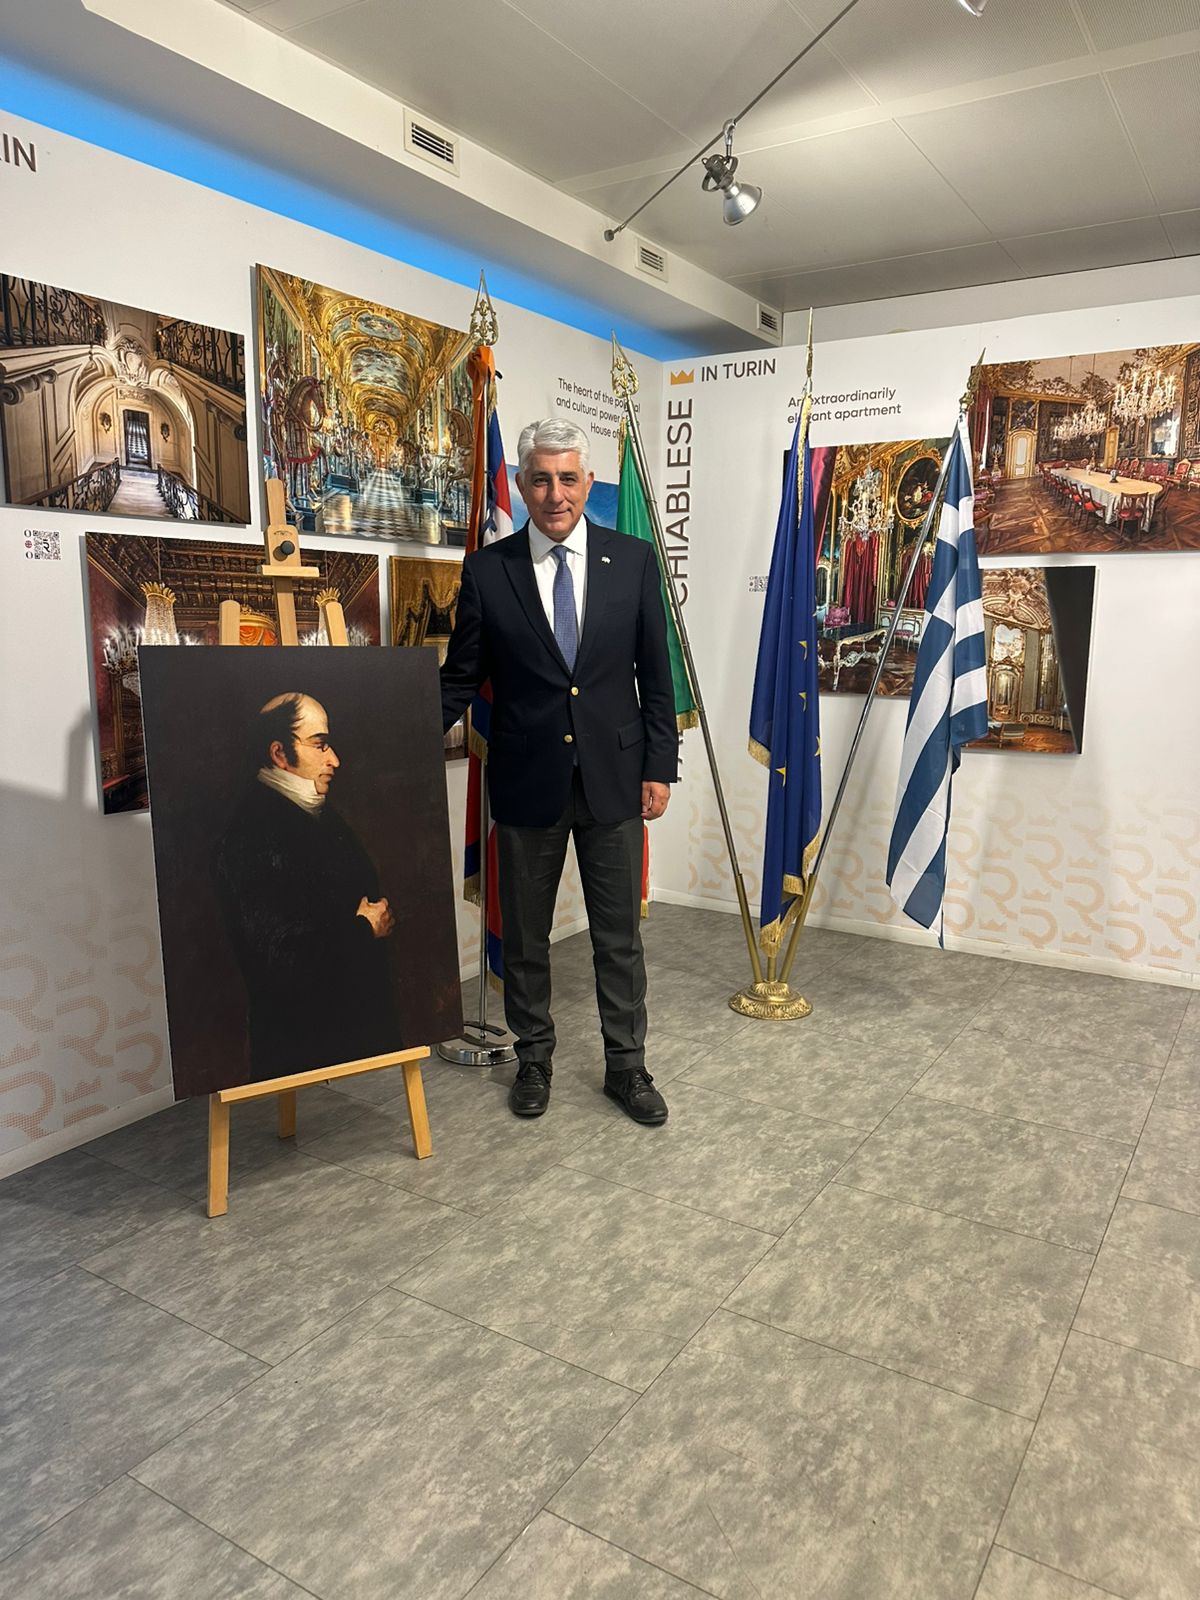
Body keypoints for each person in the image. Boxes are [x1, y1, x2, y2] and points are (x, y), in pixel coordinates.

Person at [440, 417, 677, 1124]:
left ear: (588, 481)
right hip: (526, 780)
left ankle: (627, 1068)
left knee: (618, 938)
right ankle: (534, 1059)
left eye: (568, 478)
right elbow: (460, 679)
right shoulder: (489, 571)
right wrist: (392, 735)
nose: (555, 494)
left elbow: (654, 676)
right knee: (526, 939)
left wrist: (659, 766)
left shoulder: (633, 561)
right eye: (540, 480)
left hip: (615, 779)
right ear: (520, 484)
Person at [214, 691, 398, 1078]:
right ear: (279, 753)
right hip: (304, 1046)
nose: (335, 760)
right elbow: (281, 959)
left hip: (352, 1033)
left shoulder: (313, 810)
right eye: (320, 744)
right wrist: (364, 928)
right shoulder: (252, 833)